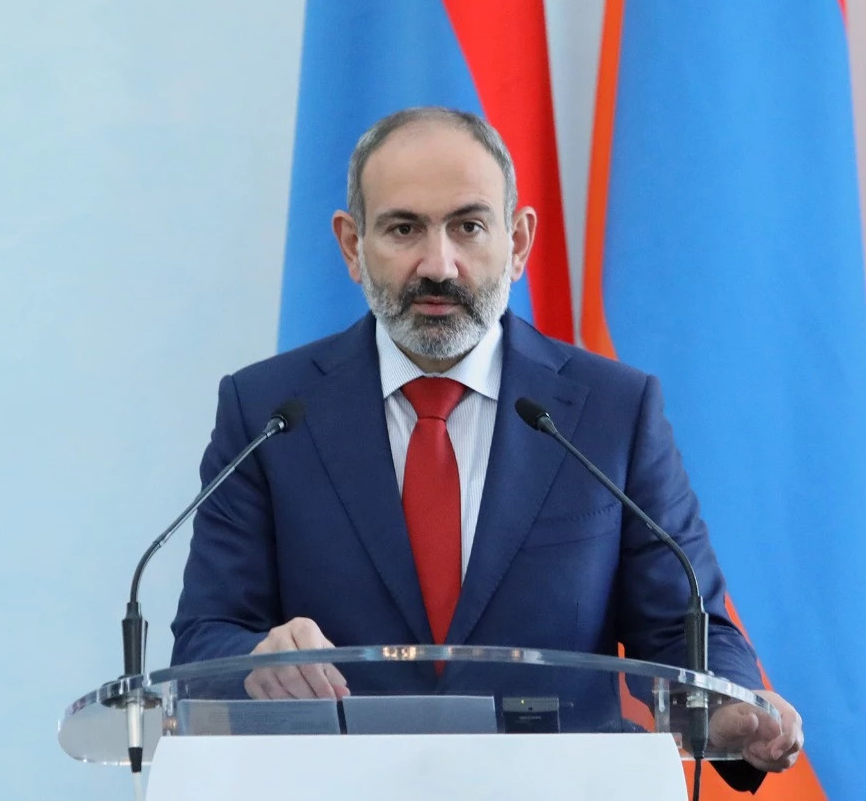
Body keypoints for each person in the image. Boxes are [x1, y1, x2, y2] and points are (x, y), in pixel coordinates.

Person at [171, 107, 803, 787]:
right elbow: (206, 637)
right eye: (404, 228)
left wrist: (730, 707)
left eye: (468, 226)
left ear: (518, 240)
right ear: (352, 245)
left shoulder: (612, 412)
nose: (438, 264)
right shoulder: (268, 412)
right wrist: (258, 660)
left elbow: (685, 629)